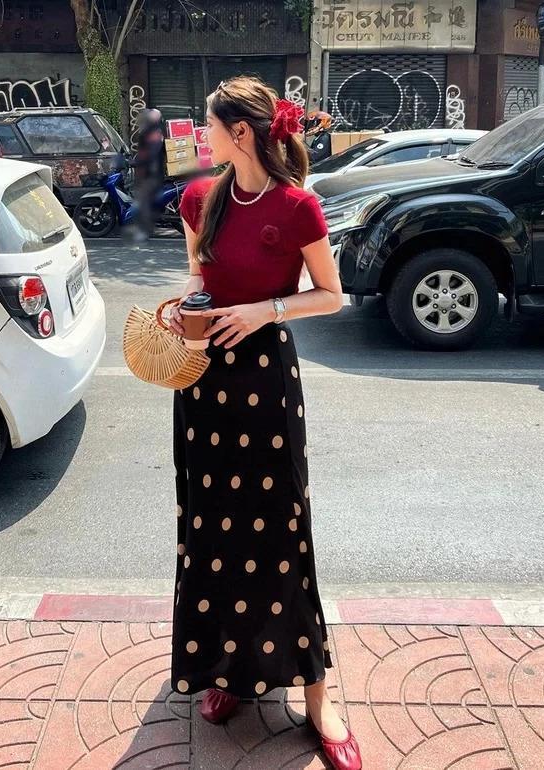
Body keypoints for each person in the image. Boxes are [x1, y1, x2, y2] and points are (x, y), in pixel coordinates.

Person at [167, 76, 362, 770]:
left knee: (281, 531)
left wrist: (264, 312)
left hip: (266, 387)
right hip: (203, 384)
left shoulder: (298, 205)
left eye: (210, 124)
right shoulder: (199, 198)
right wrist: (183, 308)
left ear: (241, 132)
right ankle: (228, 670)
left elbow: (331, 296)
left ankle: (317, 696)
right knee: (212, 529)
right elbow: (198, 279)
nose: (203, 134)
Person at [130, 107, 165, 240]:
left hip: (152, 174)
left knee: (143, 201)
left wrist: (137, 162)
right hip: (149, 172)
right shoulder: (152, 132)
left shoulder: (154, 133)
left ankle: (145, 231)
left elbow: (151, 154)